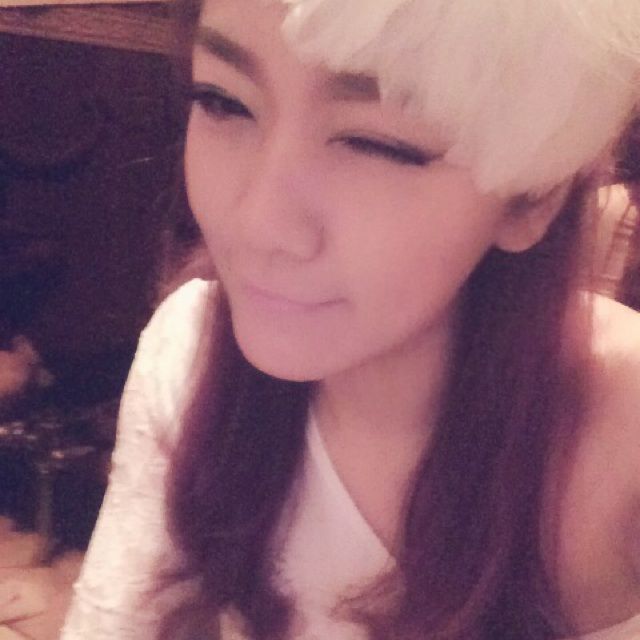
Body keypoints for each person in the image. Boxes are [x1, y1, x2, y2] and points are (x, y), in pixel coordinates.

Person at [61, 1, 640, 639]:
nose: (258, 225)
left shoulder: (622, 444)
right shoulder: (189, 352)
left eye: (374, 143)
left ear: (534, 196)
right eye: (224, 102)